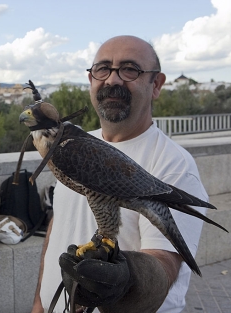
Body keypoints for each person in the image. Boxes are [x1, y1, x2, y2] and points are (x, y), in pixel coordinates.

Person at [32, 35, 209, 313]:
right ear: (91, 80)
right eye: (103, 68)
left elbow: (164, 263)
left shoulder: (174, 163)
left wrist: (129, 279)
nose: (112, 80)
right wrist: (39, 304)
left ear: (156, 84)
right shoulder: (71, 145)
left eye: (130, 69)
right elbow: (60, 224)